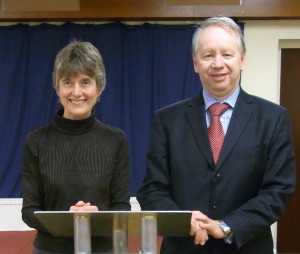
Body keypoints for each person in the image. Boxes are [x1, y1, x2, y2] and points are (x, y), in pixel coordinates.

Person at [137, 16, 296, 254]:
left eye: (227, 54)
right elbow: (151, 190)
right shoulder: (167, 120)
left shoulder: (273, 118)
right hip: (184, 247)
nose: (217, 63)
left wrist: (227, 226)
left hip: (247, 247)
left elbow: (278, 190)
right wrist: (182, 221)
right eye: (208, 55)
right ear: (195, 62)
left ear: (242, 60)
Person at [21, 41, 131, 253]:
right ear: (57, 88)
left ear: (100, 88)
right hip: (50, 249)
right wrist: (65, 220)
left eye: (86, 82)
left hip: (104, 249)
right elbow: (29, 211)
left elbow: (121, 207)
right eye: (68, 82)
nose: (77, 92)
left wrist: (97, 217)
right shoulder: (35, 141)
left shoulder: (116, 140)